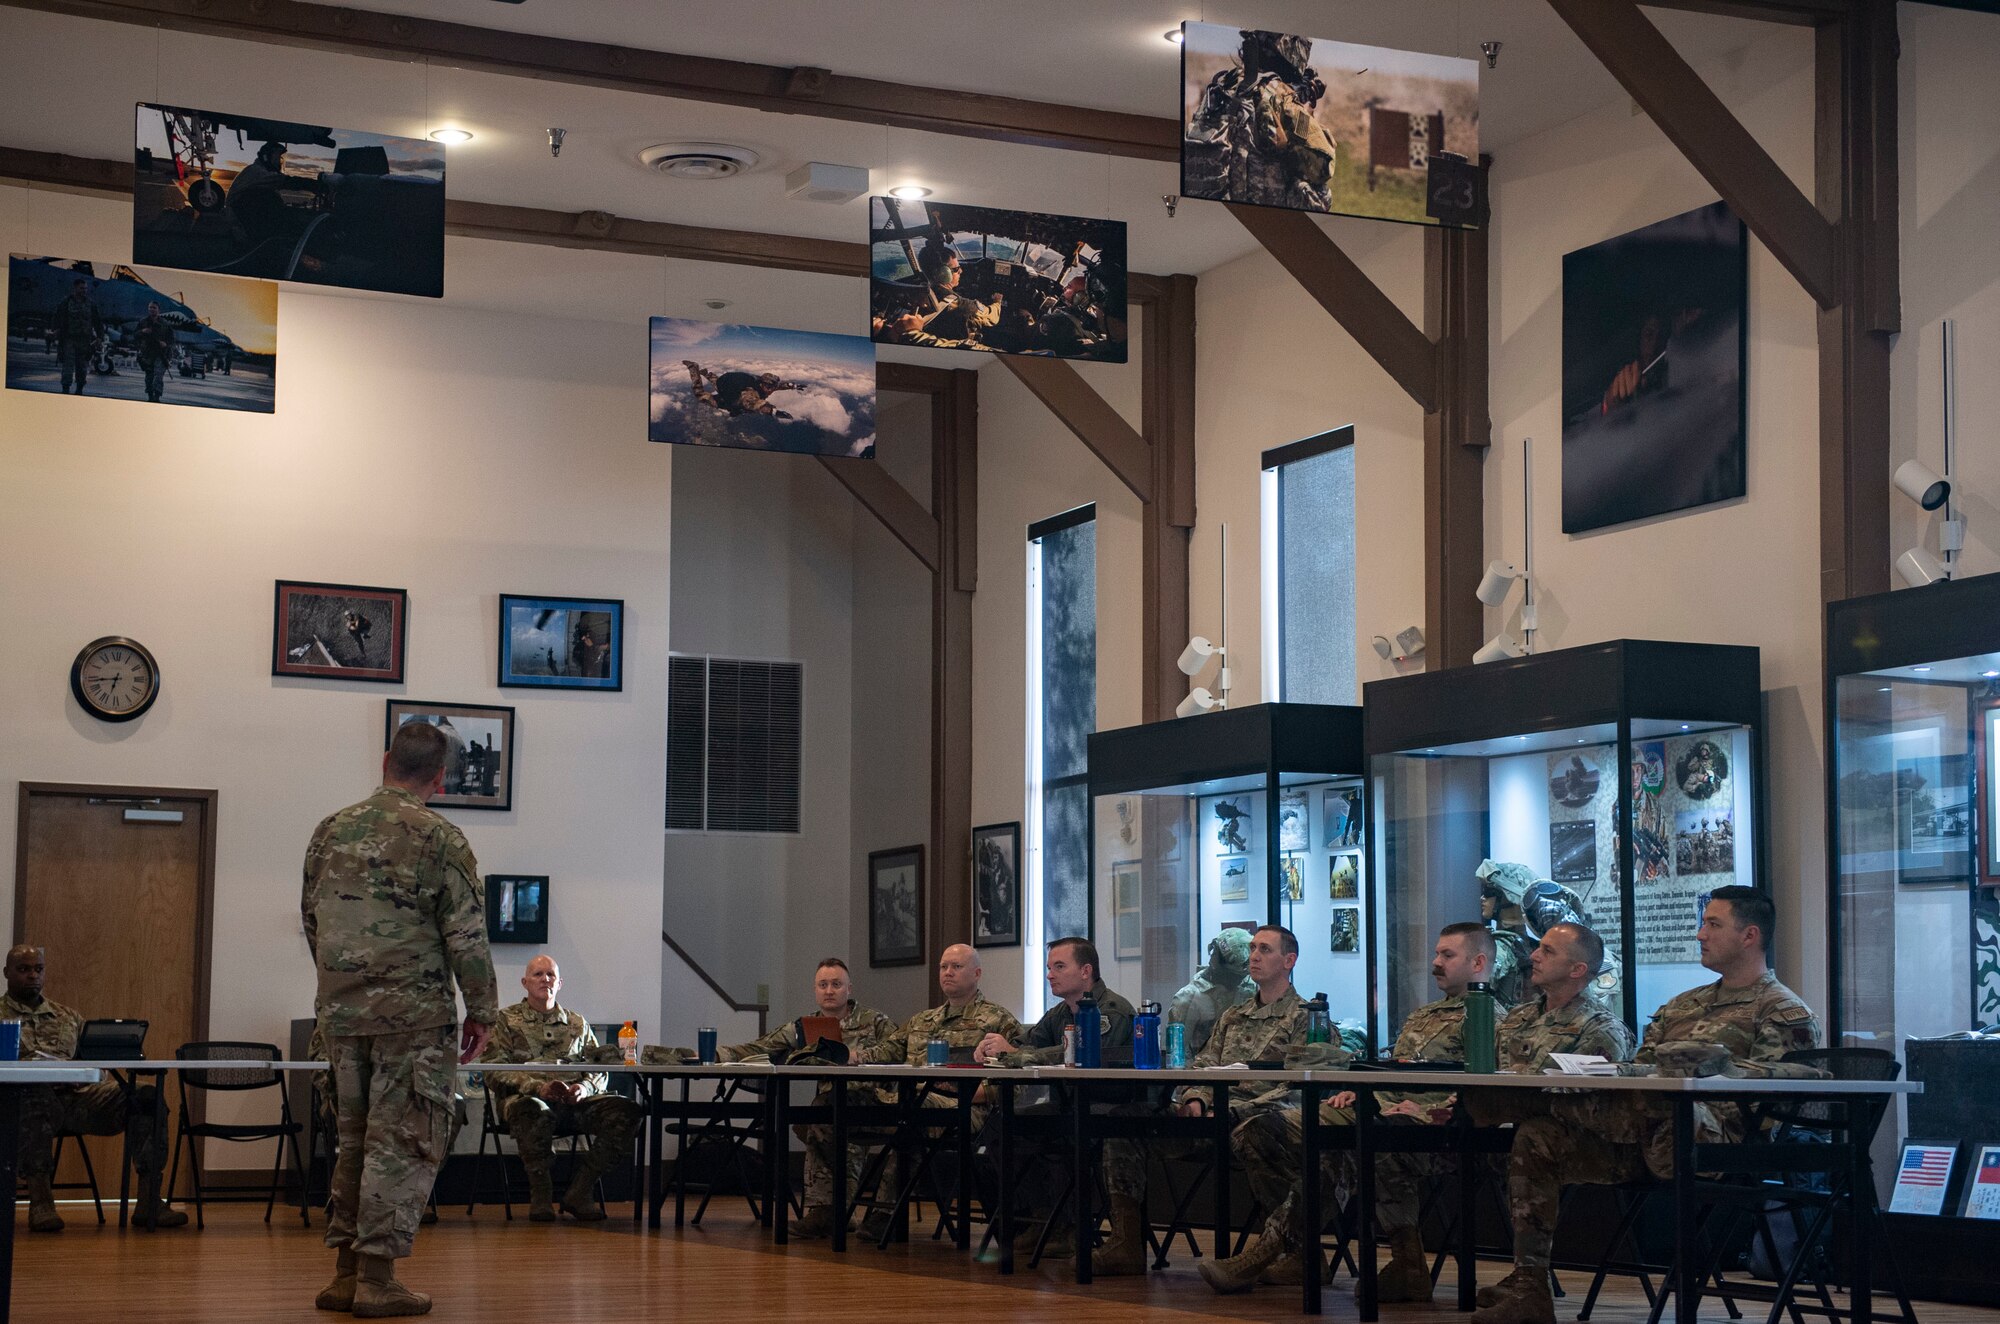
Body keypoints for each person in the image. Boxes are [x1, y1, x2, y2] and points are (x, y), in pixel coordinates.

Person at [1472, 888, 1821, 1324]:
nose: (1700, 934)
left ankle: (1537, 1102)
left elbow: (1776, 1096)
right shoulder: (1682, 1005)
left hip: (1715, 1145)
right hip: (1639, 1140)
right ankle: (1530, 1286)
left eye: (1713, 924)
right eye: (1703, 923)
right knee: (1539, 1136)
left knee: (1650, 1099)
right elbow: (1636, 1071)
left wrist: (1707, 1072)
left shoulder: (1783, 1011)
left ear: (1750, 935)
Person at [303, 720, 499, 1317]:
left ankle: (344, 1274)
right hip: (411, 1020)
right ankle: (377, 1280)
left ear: (386, 760)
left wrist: (343, 988)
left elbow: (312, 921)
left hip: (341, 1015)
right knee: (404, 1143)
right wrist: (483, 1010)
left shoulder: (329, 831)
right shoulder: (440, 838)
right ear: (438, 779)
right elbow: (465, 935)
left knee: (352, 1142)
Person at [1203, 921, 1500, 1292]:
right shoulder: (1423, 1016)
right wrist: (1363, 1093)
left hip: (1437, 1131)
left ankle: (1274, 1254)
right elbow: (1393, 1072)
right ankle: (1303, 1254)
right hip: (1379, 1114)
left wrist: (1421, 1108)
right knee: (1261, 1131)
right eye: (1437, 953)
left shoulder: (1490, 1018)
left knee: (1341, 1151)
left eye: (1447, 955)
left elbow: (1487, 1091)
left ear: (1478, 963)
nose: (1435, 961)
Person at [1095, 924, 1312, 1277]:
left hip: (1257, 1119)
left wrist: (1229, 1108)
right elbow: (1205, 1064)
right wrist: (1196, 1098)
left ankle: (1296, 1249)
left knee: (1260, 1132)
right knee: (1127, 1123)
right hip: (1213, 1115)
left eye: (1265, 950)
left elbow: (1297, 1088)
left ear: (1290, 960)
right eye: (1254, 948)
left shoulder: (1305, 1016)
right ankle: (1126, 1243)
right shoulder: (1233, 1015)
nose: (1254, 956)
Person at [970, 938, 1135, 1260]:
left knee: (1052, 1130)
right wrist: (992, 1047)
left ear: (1086, 971)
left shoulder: (1111, 1011)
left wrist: (1018, 1054)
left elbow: (1082, 1054)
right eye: (1048, 968)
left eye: (1059, 967)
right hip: (1068, 1103)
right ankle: (1043, 1216)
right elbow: (1023, 1043)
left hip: (1110, 1107)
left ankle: (1070, 1226)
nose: (1049, 975)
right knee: (1000, 1129)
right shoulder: (1059, 1013)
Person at [3, 944, 186, 1232]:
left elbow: (95, 1062)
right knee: (34, 1092)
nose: (32, 976)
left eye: (38, 969)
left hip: (75, 1099)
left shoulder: (68, 1017)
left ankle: (149, 1201)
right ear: (7, 973)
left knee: (146, 1096)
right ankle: (40, 1203)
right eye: (23, 969)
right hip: (20, 1105)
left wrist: (87, 1072)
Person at [730, 957, 897, 1240]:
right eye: (823, 985)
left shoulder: (876, 1022)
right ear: (815, 990)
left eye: (836, 984)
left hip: (874, 1102)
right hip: (832, 1106)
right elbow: (762, 1046)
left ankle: (837, 1212)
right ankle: (825, 1212)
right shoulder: (806, 1026)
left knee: (827, 1117)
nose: (829, 990)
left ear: (849, 989)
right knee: (818, 1116)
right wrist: (714, 1055)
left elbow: (897, 1053)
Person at [477, 955, 642, 1223]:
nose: (545, 980)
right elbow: (493, 1069)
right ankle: (541, 1195)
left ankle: (581, 1189)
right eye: (538, 975)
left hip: (573, 1104)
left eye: (550, 975)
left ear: (560, 983)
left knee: (627, 1110)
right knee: (533, 1109)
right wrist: (537, 1087)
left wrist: (584, 1087)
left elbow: (599, 1067)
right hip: (526, 1101)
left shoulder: (577, 1023)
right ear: (525, 982)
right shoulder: (506, 1021)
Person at [1183, 28, 1339, 211]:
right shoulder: (1278, 95)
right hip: (1261, 206)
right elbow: (1322, 166)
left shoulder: (1224, 83)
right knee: (1321, 192)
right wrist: (1305, 111)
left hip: (1219, 199)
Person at [1167, 929, 1257, 1056]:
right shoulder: (1188, 998)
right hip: (1203, 1071)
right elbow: (1178, 1055)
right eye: (1235, 976)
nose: (1238, 981)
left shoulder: (1250, 990)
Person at [51, 277, 101, 395]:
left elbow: (98, 322)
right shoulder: (66, 302)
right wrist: (55, 332)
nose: (84, 290)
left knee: (82, 368)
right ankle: (66, 389)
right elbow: (57, 318)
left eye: (85, 288)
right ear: (75, 288)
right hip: (69, 340)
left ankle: (79, 390)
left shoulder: (91, 304)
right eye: (81, 288)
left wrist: (99, 337)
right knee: (67, 367)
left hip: (84, 341)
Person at [134, 301, 174, 404]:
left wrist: (165, 344)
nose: (152, 310)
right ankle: (150, 396)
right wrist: (143, 331)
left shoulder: (165, 324)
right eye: (150, 308)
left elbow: (171, 340)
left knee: (158, 375)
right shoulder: (143, 322)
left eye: (154, 308)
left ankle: (157, 396)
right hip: (147, 354)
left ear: (158, 310)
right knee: (149, 376)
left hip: (161, 354)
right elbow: (135, 335)